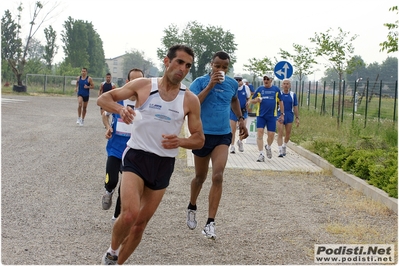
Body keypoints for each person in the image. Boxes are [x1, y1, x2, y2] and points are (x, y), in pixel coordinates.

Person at [97, 44, 204, 265]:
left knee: (139, 225)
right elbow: (104, 99)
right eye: (179, 62)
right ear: (167, 61)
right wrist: (121, 109)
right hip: (136, 156)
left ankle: (117, 263)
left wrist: (180, 141)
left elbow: (199, 139)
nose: (183, 69)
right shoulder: (144, 85)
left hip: (163, 164)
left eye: (188, 65)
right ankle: (111, 251)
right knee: (129, 215)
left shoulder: (189, 99)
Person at [186, 51, 249, 240]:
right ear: (211, 65)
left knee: (218, 176)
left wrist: (240, 118)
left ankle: (210, 223)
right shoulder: (199, 82)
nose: (220, 70)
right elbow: (193, 103)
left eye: (224, 67)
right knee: (199, 177)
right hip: (202, 135)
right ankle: (192, 205)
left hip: (222, 135)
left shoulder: (231, 84)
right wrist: (211, 85)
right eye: (217, 66)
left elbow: (234, 99)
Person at [101, 69, 144, 222]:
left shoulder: (144, 103)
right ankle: (108, 190)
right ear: (127, 82)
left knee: (125, 189)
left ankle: (116, 217)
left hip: (133, 152)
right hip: (115, 148)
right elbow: (105, 114)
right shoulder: (118, 99)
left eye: (140, 80)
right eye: (133, 80)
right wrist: (108, 127)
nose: (137, 84)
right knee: (112, 180)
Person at [249, 73, 284, 162]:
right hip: (261, 115)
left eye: (267, 79)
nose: (266, 81)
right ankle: (261, 154)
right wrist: (256, 100)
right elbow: (251, 100)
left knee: (271, 135)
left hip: (272, 116)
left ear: (271, 80)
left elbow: (281, 101)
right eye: (264, 79)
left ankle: (268, 147)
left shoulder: (276, 90)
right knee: (260, 133)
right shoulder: (260, 89)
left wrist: (282, 114)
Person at [277, 79, 299, 157]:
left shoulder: (293, 95)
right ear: (282, 85)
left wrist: (297, 117)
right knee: (280, 132)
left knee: (288, 133)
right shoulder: (279, 94)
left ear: (290, 85)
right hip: (280, 114)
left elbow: (295, 106)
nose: (286, 85)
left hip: (289, 115)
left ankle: (284, 146)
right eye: (284, 84)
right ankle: (280, 150)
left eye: (287, 84)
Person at [229, 74, 251, 153]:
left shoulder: (246, 88)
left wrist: (248, 102)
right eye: (236, 80)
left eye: (239, 80)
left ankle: (240, 141)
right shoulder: (232, 87)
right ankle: (232, 146)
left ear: (242, 80)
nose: (238, 81)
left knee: (243, 127)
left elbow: (248, 98)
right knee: (233, 129)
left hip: (243, 111)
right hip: (233, 111)